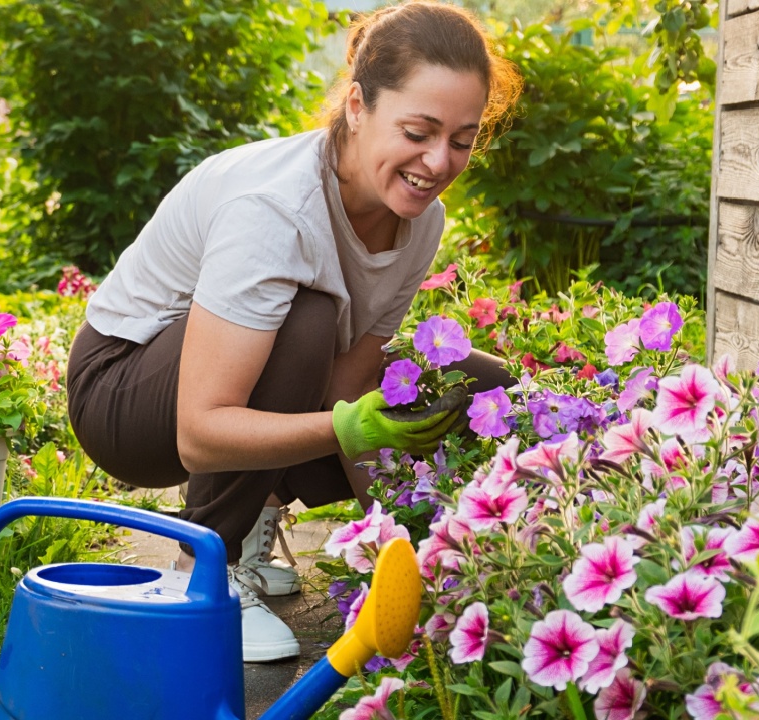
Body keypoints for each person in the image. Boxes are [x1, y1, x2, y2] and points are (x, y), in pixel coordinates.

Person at [66, 0, 521, 663]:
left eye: (461, 138)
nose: (437, 161)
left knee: (474, 385)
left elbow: (351, 382)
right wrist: (347, 428)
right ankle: (206, 568)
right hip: (126, 396)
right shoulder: (275, 208)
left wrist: (400, 559)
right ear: (359, 106)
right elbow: (199, 430)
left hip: (254, 378)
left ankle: (257, 509)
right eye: (418, 131)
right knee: (305, 323)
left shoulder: (423, 219)